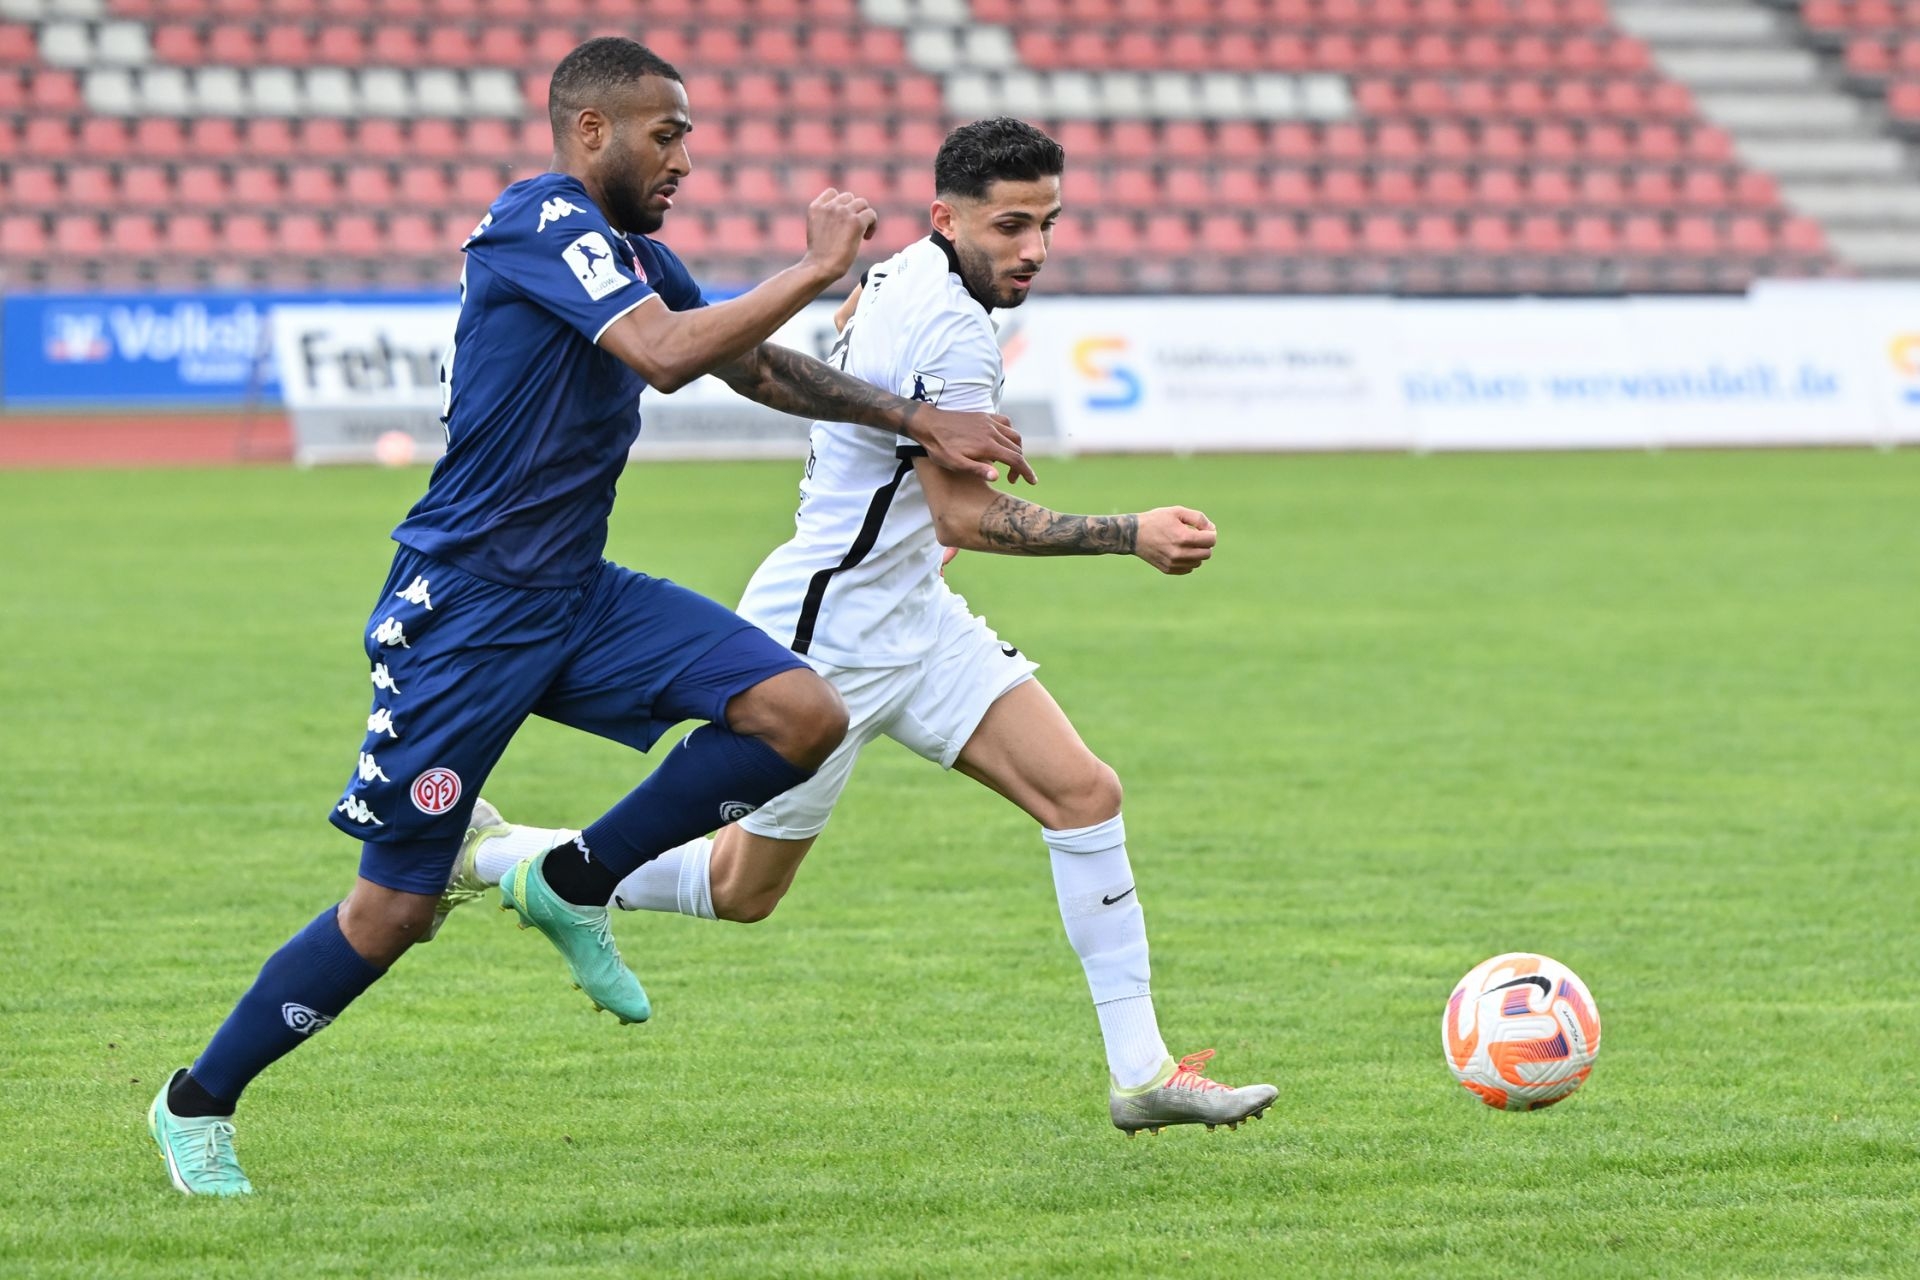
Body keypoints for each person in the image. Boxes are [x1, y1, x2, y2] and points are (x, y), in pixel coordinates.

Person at [147, 39, 1034, 1197]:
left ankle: (572, 877)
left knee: (798, 713)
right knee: (394, 910)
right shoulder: (539, 220)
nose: (684, 161)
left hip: (578, 592)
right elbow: (663, 357)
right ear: (590, 130)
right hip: (466, 611)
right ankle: (196, 1100)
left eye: (688, 139)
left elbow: (757, 371)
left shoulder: (632, 254)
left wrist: (916, 420)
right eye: (667, 136)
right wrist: (817, 268)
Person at [446, 118, 1275, 1137]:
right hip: (830, 628)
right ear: (946, 218)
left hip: (913, 612)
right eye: (1011, 226)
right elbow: (967, 514)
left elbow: (874, 367)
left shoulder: (905, 272)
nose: (1035, 248)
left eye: (1049, 223)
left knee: (1083, 794)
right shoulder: (955, 328)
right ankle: (495, 856)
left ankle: (1143, 1072)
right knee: (742, 887)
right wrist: (1129, 533)